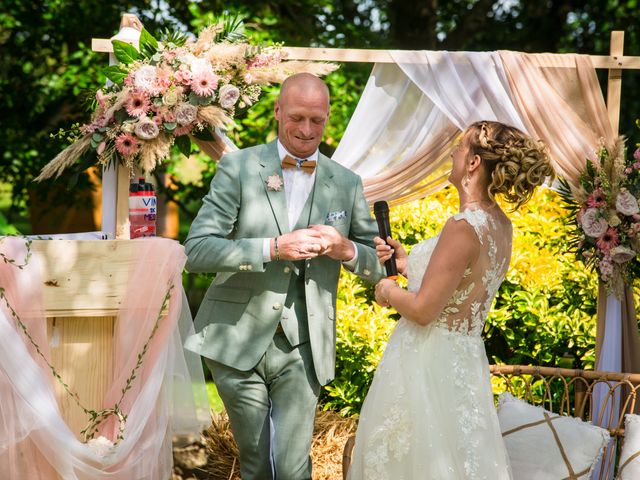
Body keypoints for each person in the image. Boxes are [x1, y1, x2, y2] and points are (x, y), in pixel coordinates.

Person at [183, 72, 385, 480]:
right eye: (297, 118)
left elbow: (379, 263)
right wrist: (272, 248)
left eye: (317, 120)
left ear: (328, 118)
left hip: (305, 346)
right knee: (257, 464)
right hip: (237, 338)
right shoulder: (239, 167)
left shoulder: (346, 184)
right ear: (277, 112)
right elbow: (196, 251)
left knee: (294, 468)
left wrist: (346, 249)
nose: (307, 130)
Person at [347, 120, 555, 479]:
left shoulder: (462, 226)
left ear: (474, 163)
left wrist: (387, 290)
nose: (453, 153)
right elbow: (461, 283)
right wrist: (404, 263)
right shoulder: (499, 225)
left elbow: (425, 310)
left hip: (426, 364)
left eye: (459, 148)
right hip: (462, 360)